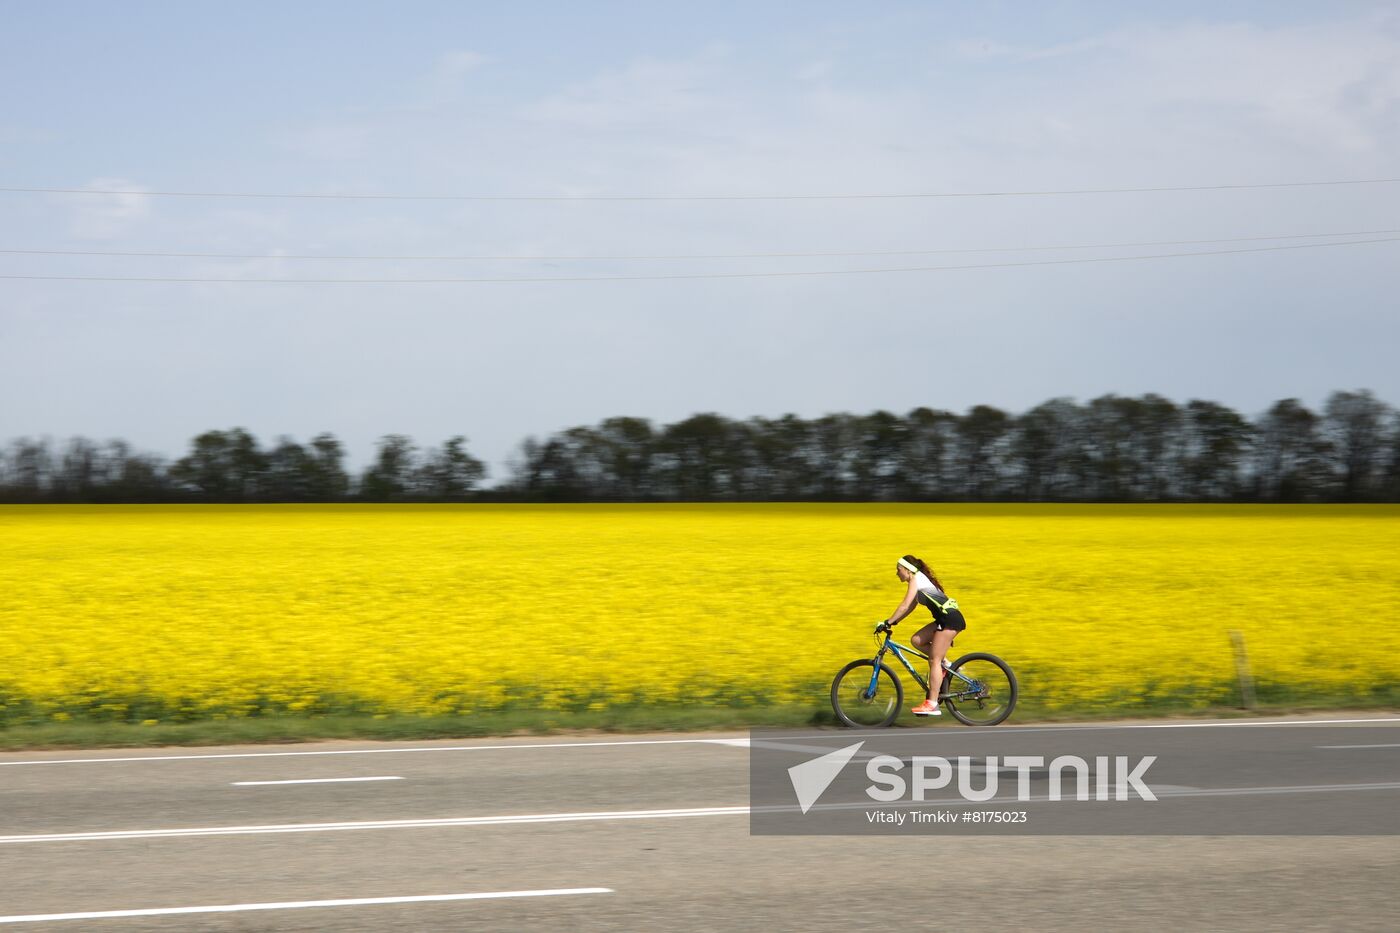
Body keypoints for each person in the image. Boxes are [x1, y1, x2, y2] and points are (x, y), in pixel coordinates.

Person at [882, 554, 966, 716]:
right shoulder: (918, 580)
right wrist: (894, 622)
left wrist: (888, 622)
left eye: (898, 570)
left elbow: (905, 605)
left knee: (934, 660)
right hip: (944, 618)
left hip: (949, 620)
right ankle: (946, 666)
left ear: (908, 570)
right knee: (916, 640)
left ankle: (933, 704)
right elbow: (910, 607)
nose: (896, 573)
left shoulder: (916, 580)